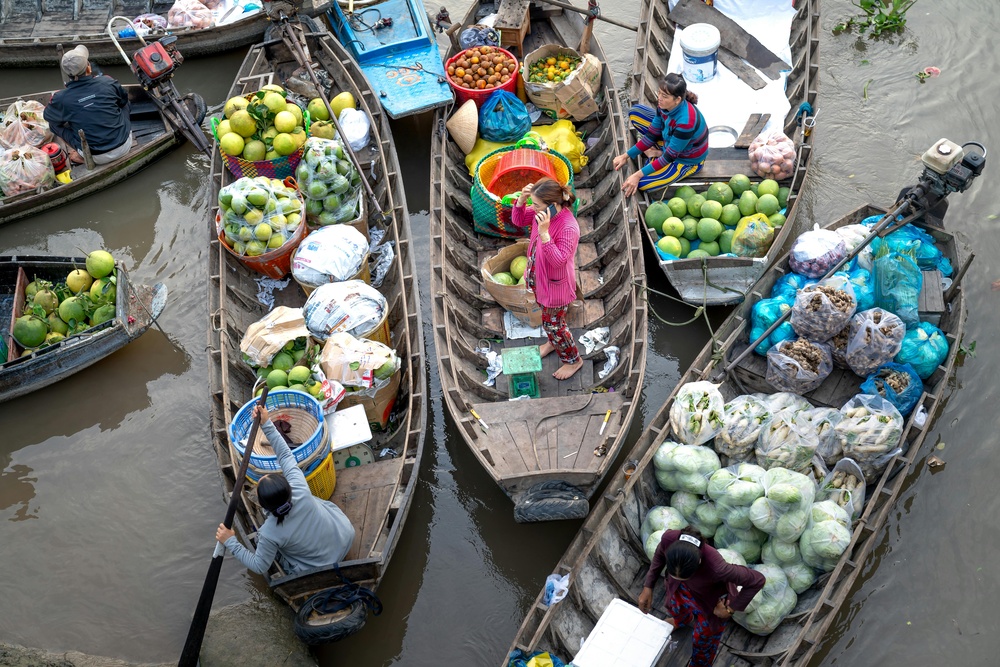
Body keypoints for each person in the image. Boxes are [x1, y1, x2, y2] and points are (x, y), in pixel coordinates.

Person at [216, 404, 355, 575]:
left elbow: (260, 566)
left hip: (321, 566)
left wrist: (230, 541)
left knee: (271, 548)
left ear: (264, 506)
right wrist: (266, 423)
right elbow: (285, 454)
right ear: (288, 488)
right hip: (346, 536)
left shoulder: (269, 532)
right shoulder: (299, 488)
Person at [638, 528, 766, 667]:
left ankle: (699, 664)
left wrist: (730, 610)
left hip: (710, 603)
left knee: (704, 640)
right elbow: (659, 555)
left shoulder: (717, 568)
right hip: (679, 590)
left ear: (699, 562)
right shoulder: (669, 539)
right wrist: (648, 586)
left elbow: (757, 580)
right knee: (675, 607)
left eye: (684, 577)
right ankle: (680, 620)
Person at [511, 177, 584, 381]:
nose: (533, 209)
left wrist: (544, 234)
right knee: (549, 320)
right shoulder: (542, 215)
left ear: (552, 206)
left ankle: (573, 360)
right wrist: (521, 201)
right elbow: (518, 221)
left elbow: (559, 261)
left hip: (556, 289)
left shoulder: (569, 227)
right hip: (539, 279)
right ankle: (552, 343)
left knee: (555, 325)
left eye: (536, 205)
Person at [613, 72, 708, 197]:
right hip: (669, 140)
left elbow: (669, 157)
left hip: (685, 159)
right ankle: (657, 154)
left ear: (677, 100)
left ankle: (657, 155)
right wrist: (625, 156)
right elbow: (651, 135)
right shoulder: (663, 106)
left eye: (664, 96)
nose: (659, 98)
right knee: (636, 112)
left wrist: (637, 175)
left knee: (642, 183)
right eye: (659, 93)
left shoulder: (686, 123)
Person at [43, 45, 133, 166]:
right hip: (124, 145)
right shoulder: (107, 82)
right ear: (89, 68)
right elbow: (123, 102)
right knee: (125, 100)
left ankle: (81, 155)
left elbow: (49, 116)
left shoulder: (60, 98)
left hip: (96, 156)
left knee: (53, 124)